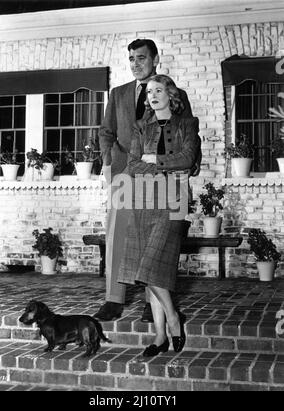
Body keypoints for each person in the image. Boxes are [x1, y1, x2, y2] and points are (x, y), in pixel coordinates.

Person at [94, 38, 199, 322]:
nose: (135, 64)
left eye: (141, 58)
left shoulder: (174, 93)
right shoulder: (117, 94)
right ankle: (114, 298)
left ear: (155, 60)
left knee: (159, 238)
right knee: (118, 233)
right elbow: (106, 131)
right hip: (126, 173)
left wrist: (183, 171)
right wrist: (107, 161)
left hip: (165, 177)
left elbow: (186, 136)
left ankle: (154, 302)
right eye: (131, 59)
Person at [118, 74, 201, 356]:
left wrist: (153, 160)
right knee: (152, 271)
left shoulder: (187, 124)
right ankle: (159, 335)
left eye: (157, 90)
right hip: (143, 201)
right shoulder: (141, 126)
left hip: (174, 201)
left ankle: (174, 317)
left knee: (151, 266)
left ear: (170, 94)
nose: (151, 95)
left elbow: (188, 159)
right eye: (148, 92)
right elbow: (132, 166)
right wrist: (165, 165)